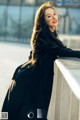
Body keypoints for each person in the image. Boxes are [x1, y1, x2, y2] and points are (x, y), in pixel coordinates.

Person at [2, 1, 80, 120]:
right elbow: (62, 52)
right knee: (29, 113)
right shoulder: (44, 35)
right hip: (32, 79)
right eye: (49, 16)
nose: (53, 17)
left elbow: (59, 50)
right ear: (43, 21)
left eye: (54, 14)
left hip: (33, 75)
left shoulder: (51, 34)